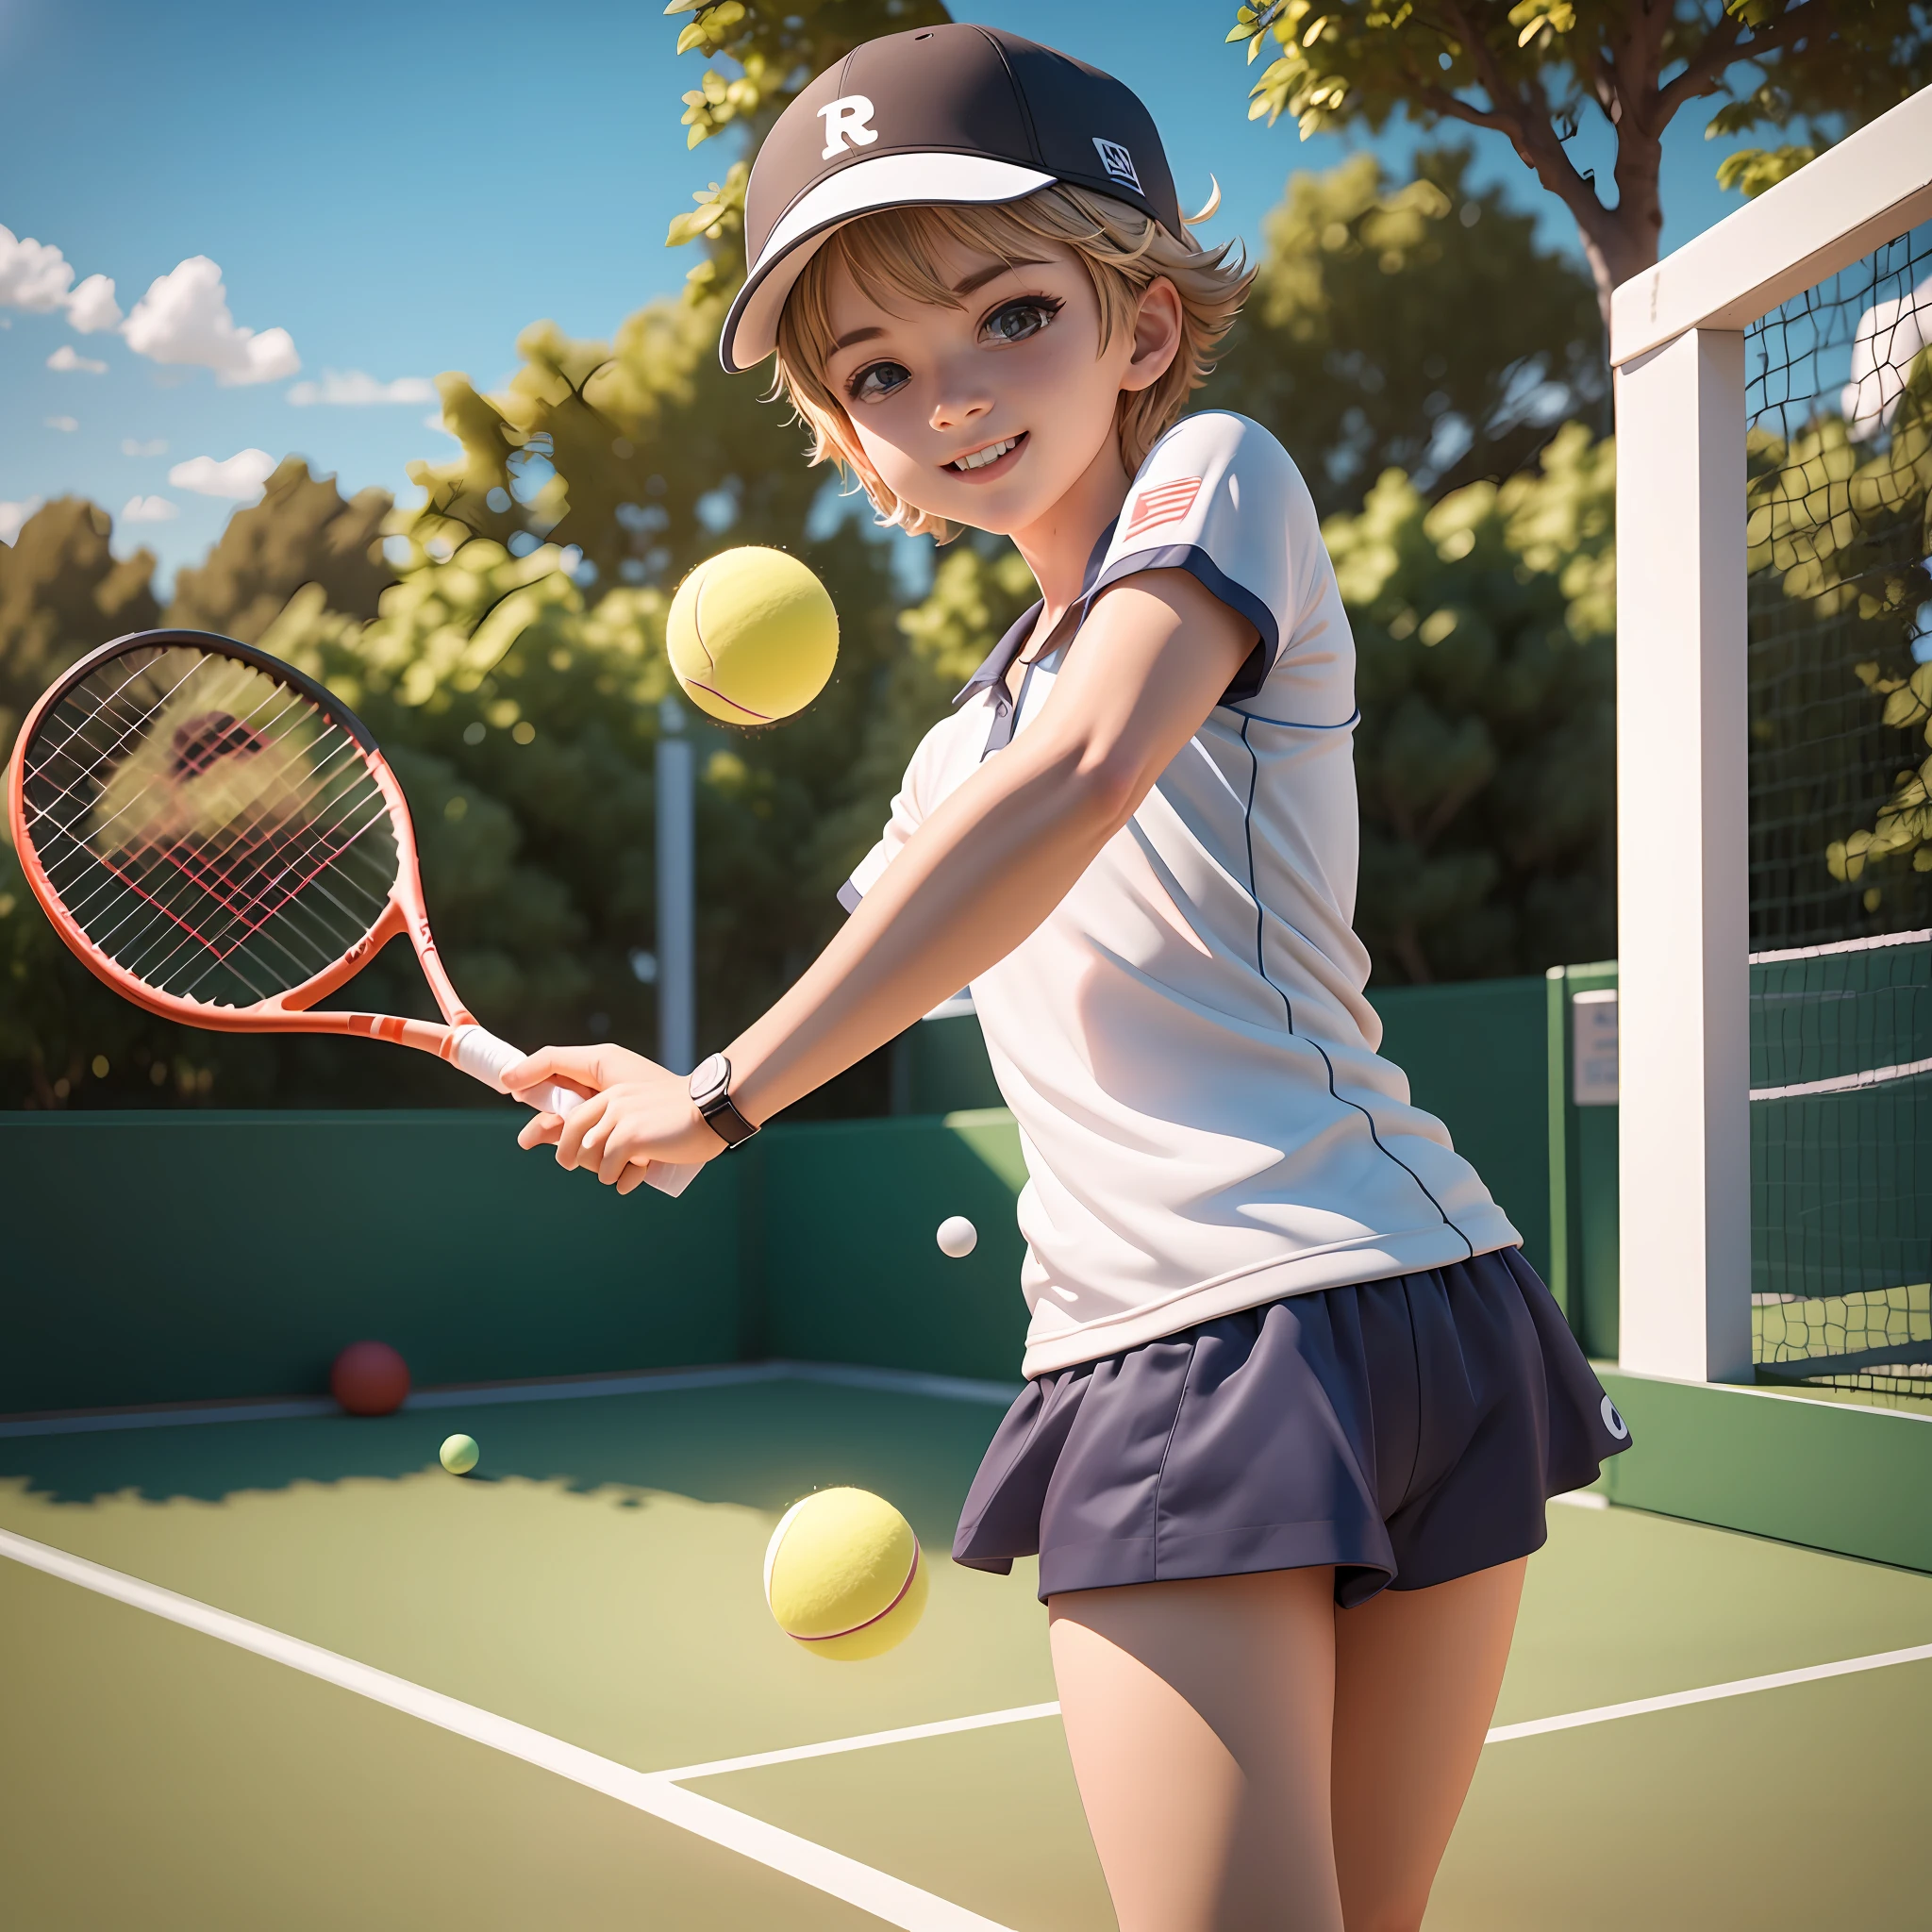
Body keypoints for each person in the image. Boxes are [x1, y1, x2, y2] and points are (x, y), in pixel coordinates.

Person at [508, 25, 1630, 1930]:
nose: (947, 396)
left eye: (1008, 314)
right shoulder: (958, 753)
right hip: (1413, 1304)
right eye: (878, 367)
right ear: (846, 433)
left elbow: (1084, 778)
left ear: (1141, 323)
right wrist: (661, 1078)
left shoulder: (1217, 478)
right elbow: (911, 928)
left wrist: (714, 1101)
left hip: (1236, 1333)